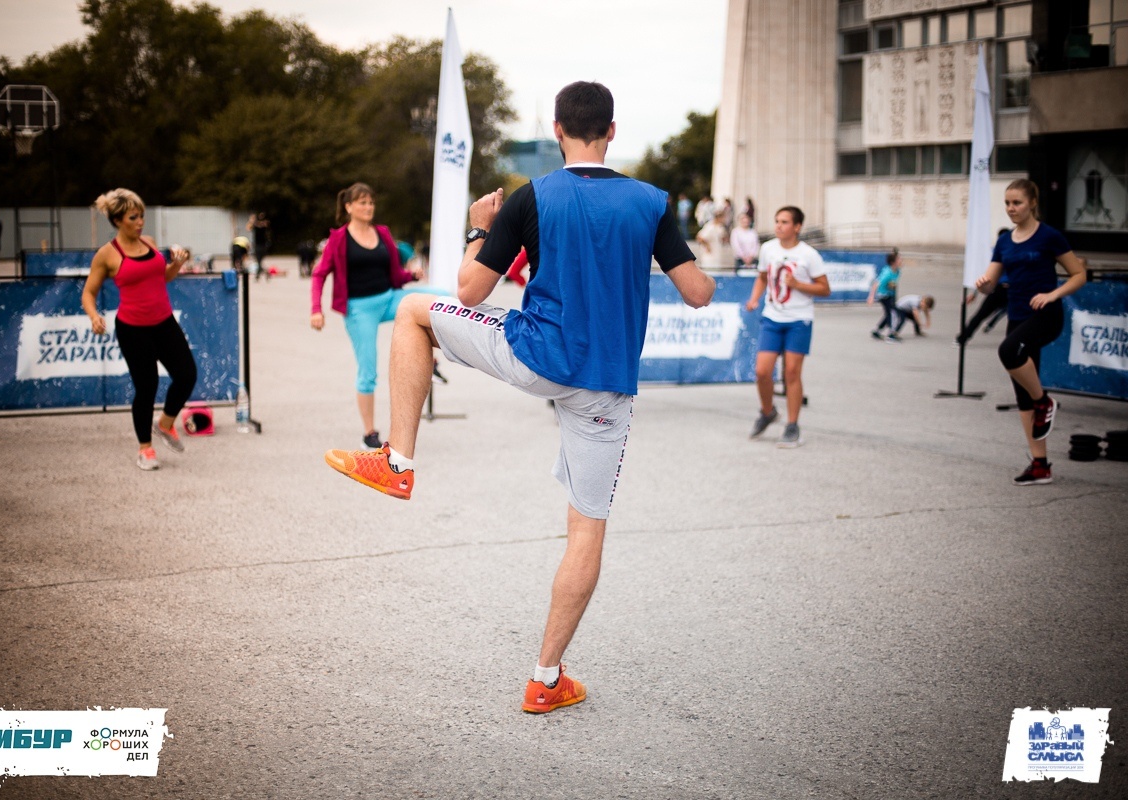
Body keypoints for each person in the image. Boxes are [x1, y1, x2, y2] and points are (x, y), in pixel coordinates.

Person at [323, 81, 715, 714]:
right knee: (587, 527)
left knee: (414, 312)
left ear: (557, 129)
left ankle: (398, 462)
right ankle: (546, 677)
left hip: (536, 356)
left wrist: (481, 229)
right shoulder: (649, 202)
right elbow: (697, 292)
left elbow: (470, 290)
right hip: (605, 384)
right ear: (612, 131)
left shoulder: (533, 197)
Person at [310, 182, 445, 450]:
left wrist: (412, 276)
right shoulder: (338, 238)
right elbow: (319, 274)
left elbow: (394, 273)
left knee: (440, 296)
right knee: (368, 371)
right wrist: (316, 309)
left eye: (371, 202)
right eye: (362, 202)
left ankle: (432, 357)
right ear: (348, 206)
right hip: (359, 309)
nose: (368, 207)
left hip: (389, 298)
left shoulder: (382, 233)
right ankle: (369, 433)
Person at [975, 179, 1087, 486]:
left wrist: (1053, 295)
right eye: (1007, 203)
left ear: (1033, 203)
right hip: (1018, 317)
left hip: (1046, 315)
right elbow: (992, 280)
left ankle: (1044, 402)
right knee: (1021, 394)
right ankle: (1040, 465)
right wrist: (985, 285)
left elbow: (1079, 274)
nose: (1011, 208)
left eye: (1017, 203)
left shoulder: (1049, 236)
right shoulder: (1004, 242)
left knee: (1007, 352)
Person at [82, 188, 198, 471]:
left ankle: (166, 424)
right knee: (147, 388)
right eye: (134, 217)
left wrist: (177, 264)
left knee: (186, 375)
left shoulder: (149, 243)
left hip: (164, 323)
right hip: (133, 330)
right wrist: (94, 315)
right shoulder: (107, 255)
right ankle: (145, 449)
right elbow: (88, 292)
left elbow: (163, 277)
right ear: (119, 220)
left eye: (142, 216)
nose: (140, 221)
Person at [745, 205, 831, 447]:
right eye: (777, 221)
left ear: (797, 227)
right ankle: (768, 411)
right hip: (772, 317)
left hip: (798, 320)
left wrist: (798, 284)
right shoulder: (768, 248)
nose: (779, 226)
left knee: (792, 373)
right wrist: (754, 298)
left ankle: (792, 426)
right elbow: (762, 277)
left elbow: (824, 289)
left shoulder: (809, 255)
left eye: (784, 222)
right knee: (762, 371)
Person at [957, 229, 1011, 346]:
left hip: (1012, 289)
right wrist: (974, 292)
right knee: (981, 314)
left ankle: (1012, 343)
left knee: (1014, 316)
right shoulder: (995, 252)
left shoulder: (1011, 250)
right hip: (999, 289)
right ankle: (963, 338)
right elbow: (985, 274)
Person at [867, 249, 902, 341]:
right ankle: (891, 334)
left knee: (888, 314)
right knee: (893, 313)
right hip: (883, 296)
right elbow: (875, 284)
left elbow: (893, 285)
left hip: (891, 295)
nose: (901, 261)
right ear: (893, 262)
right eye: (898, 259)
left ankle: (877, 331)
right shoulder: (887, 274)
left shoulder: (897, 271)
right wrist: (871, 297)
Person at [248, 212, 271, 281]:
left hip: (262, 246)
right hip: (258, 245)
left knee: (259, 262)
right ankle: (264, 274)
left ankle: (260, 274)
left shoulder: (263, 224)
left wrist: (253, 221)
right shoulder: (257, 225)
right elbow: (248, 228)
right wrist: (252, 221)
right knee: (259, 262)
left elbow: (262, 224)